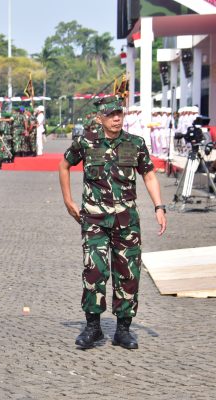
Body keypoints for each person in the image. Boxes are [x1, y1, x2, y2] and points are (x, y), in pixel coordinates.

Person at [58, 95, 167, 350]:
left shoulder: (135, 143)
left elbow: (149, 174)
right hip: (94, 219)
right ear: (100, 118)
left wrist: (159, 206)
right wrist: (68, 201)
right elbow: (64, 166)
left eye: (119, 113)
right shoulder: (86, 142)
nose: (116, 118)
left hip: (126, 221)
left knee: (128, 273)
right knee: (94, 272)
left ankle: (123, 330)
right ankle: (93, 327)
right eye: (110, 115)